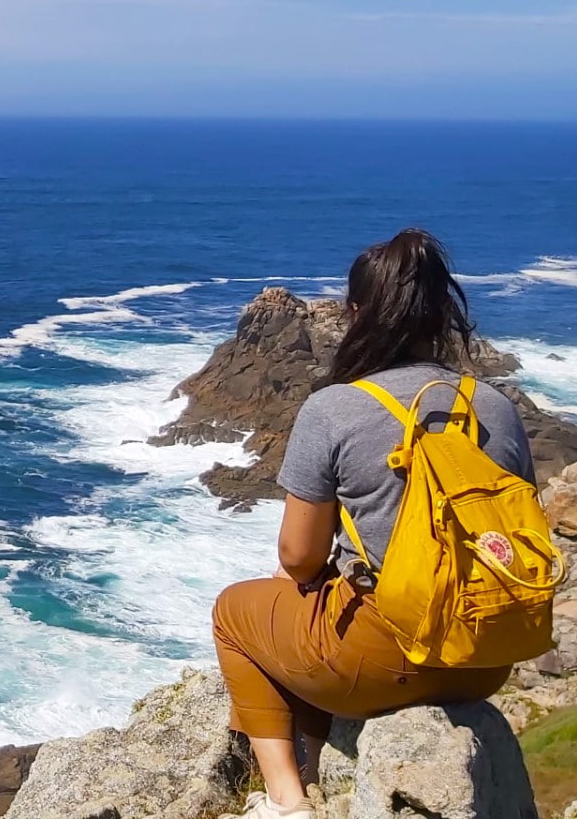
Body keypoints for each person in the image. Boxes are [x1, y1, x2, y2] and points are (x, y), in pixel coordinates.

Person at [213, 229, 536, 819]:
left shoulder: (335, 408)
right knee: (314, 602)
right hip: (488, 656)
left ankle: (287, 798)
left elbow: (298, 556)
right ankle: (311, 767)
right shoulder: (497, 408)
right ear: (443, 313)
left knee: (237, 611)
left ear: (355, 314)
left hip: (387, 662)